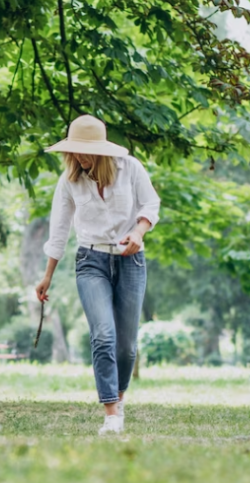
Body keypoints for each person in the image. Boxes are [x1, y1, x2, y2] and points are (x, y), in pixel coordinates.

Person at [35, 115, 161, 435]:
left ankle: (119, 401)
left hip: (130, 260)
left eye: (85, 150)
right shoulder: (70, 181)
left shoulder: (129, 168)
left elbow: (151, 204)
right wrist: (47, 275)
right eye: (75, 150)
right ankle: (111, 413)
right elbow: (59, 230)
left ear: (103, 150)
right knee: (103, 335)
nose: (79, 156)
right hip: (91, 261)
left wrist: (138, 232)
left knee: (126, 345)